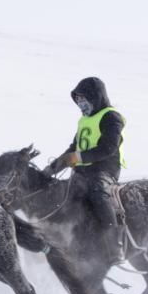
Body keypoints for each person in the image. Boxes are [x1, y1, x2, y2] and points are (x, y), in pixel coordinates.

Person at [44, 76, 126, 264]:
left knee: (98, 194)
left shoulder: (110, 117)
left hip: (104, 170)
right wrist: (51, 169)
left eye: (84, 99)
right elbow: (73, 148)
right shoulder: (84, 121)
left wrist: (79, 158)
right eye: (78, 100)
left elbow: (108, 148)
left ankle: (115, 246)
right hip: (82, 173)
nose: (81, 104)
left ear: (95, 97)